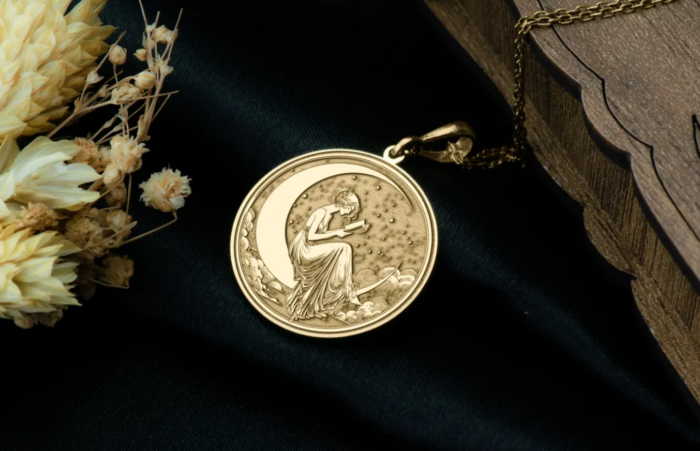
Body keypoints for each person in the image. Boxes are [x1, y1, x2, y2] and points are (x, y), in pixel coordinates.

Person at [287, 188, 364, 321]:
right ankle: (345, 287)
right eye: (350, 209)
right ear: (344, 204)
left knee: (342, 250)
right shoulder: (322, 212)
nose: (349, 213)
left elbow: (321, 234)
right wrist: (335, 233)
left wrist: (338, 232)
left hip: (310, 245)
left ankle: (314, 307)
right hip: (305, 247)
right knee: (344, 248)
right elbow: (311, 236)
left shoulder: (329, 214)